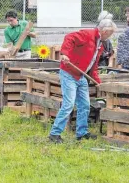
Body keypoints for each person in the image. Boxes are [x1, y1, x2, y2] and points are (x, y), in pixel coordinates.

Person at [49, 11, 117, 144]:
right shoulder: (87, 35)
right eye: (110, 33)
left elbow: (93, 65)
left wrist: (97, 81)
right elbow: (69, 38)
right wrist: (64, 54)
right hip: (69, 73)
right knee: (68, 104)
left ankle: (82, 133)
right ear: (104, 31)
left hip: (81, 76)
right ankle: (54, 134)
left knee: (85, 105)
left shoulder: (100, 44)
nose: (111, 36)